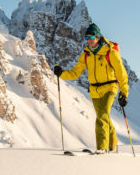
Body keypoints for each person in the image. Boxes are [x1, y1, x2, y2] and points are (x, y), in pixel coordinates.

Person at [53, 23, 129, 153]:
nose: (89, 40)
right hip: (94, 90)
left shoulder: (110, 53)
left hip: (110, 87)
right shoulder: (86, 55)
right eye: (86, 37)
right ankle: (113, 146)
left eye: (91, 36)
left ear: (98, 37)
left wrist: (124, 93)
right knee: (103, 116)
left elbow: (121, 74)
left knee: (101, 117)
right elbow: (75, 72)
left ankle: (102, 148)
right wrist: (61, 73)